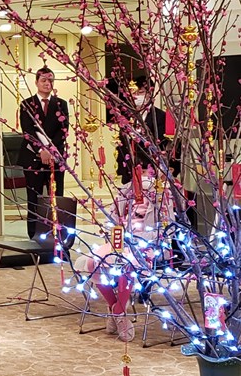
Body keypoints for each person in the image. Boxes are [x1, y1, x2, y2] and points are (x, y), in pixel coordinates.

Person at [73, 167, 175, 342]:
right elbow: (112, 221)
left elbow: (168, 229)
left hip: (148, 246)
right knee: (93, 262)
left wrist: (139, 237)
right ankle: (116, 308)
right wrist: (116, 235)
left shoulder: (161, 195)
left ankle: (118, 311)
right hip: (120, 243)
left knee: (126, 265)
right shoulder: (124, 192)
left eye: (146, 170)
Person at [17, 67, 69, 240]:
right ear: (36, 82)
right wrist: (41, 150)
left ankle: (58, 234)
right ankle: (33, 235)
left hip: (55, 157)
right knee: (34, 197)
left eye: (50, 80)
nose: (47, 83)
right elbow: (28, 130)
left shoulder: (61, 104)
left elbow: (63, 131)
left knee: (56, 196)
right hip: (33, 156)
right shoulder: (26, 104)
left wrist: (50, 151)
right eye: (44, 80)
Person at [116, 75, 167, 184]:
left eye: (141, 92)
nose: (137, 96)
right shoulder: (126, 116)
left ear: (149, 93)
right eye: (134, 93)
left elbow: (160, 142)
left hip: (150, 168)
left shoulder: (160, 116)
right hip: (129, 167)